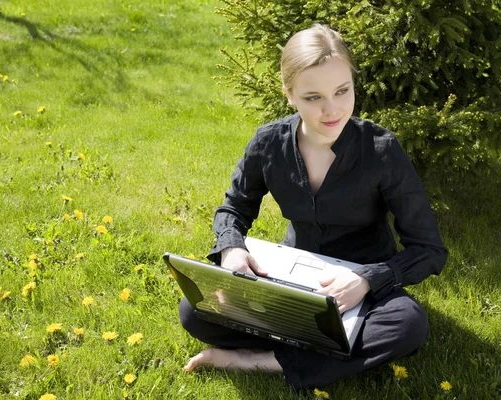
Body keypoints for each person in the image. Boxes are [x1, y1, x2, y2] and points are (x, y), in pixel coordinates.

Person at [178, 24, 448, 389]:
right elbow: (234, 209)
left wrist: (366, 280)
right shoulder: (268, 143)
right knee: (194, 310)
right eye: (313, 97)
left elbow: (429, 250)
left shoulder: (382, 150)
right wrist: (232, 249)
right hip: (292, 279)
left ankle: (262, 359)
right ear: (289, 94)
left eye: (342, 91)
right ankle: (315, 343)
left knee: (408, 323)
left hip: (363, 290)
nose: (332, 110)